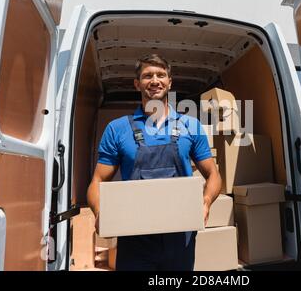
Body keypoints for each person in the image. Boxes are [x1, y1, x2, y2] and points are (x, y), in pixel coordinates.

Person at [87, 54, 222, 271]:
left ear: (170, 81)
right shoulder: (118, 129)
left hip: (181, 235)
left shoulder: (191, 125)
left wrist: (205, 203)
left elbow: (213, 175)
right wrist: (100, 212)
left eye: (161, 75)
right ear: (137, 83)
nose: (154, 81)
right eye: (147, 76)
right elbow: (97, 180)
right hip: (134, 237)